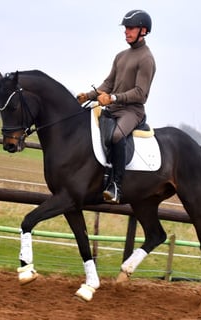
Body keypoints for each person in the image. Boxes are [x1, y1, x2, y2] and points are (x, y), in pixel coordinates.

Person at [77, 9, 156, 204]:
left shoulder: (146, 59)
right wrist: (89, 95)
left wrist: (112, 98)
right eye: (126, 28)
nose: (126, 32)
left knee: (117, 136)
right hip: (114, 108)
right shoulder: (121, 56)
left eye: (130, 28)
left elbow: (141, 93)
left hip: (132, 111)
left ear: (143, 30)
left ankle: (116, 186)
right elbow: (108, 84)